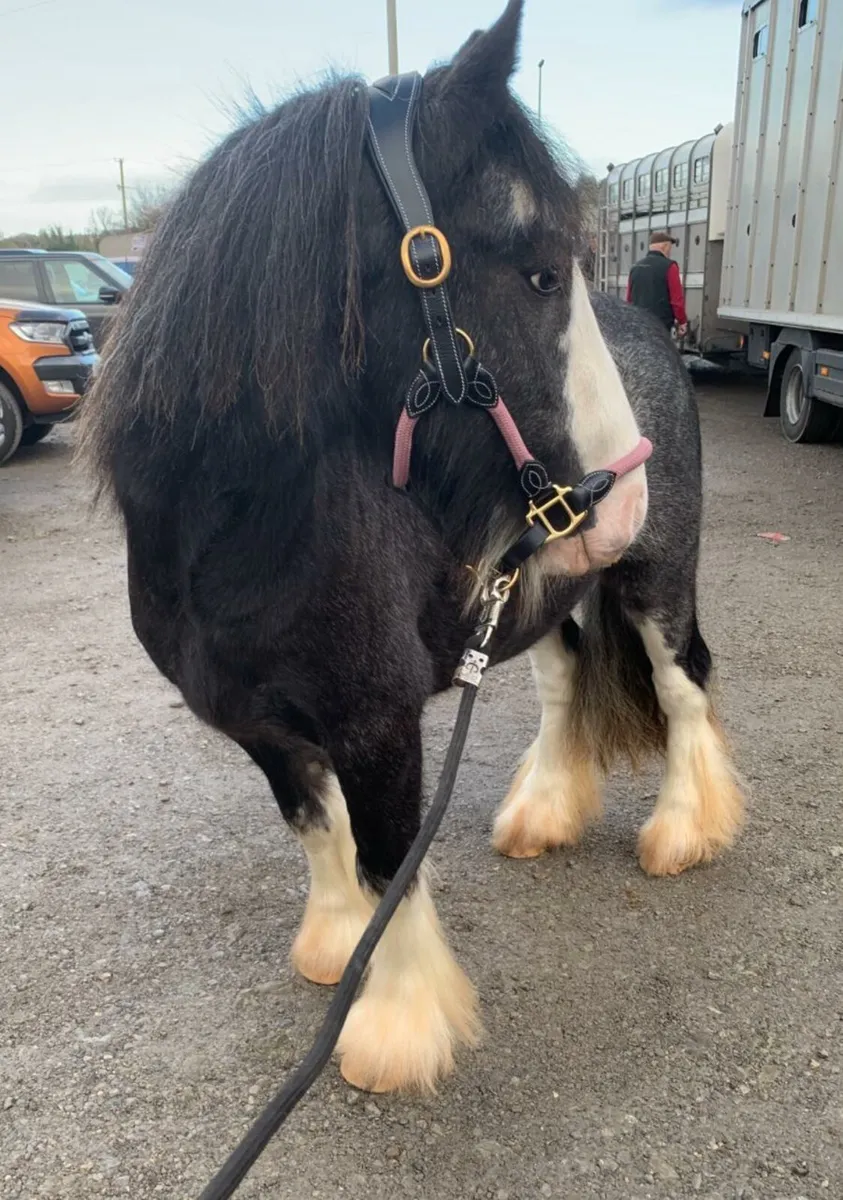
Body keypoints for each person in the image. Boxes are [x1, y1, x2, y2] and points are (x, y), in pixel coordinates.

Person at [626, 232, 688, 338]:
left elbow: (629, 299)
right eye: (669, 247)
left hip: (638, 324)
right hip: (660, 326)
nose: (670, 251)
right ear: (664, 246)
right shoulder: (670, 266)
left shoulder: (635, 267)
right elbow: (676, 300)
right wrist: (682, 321)